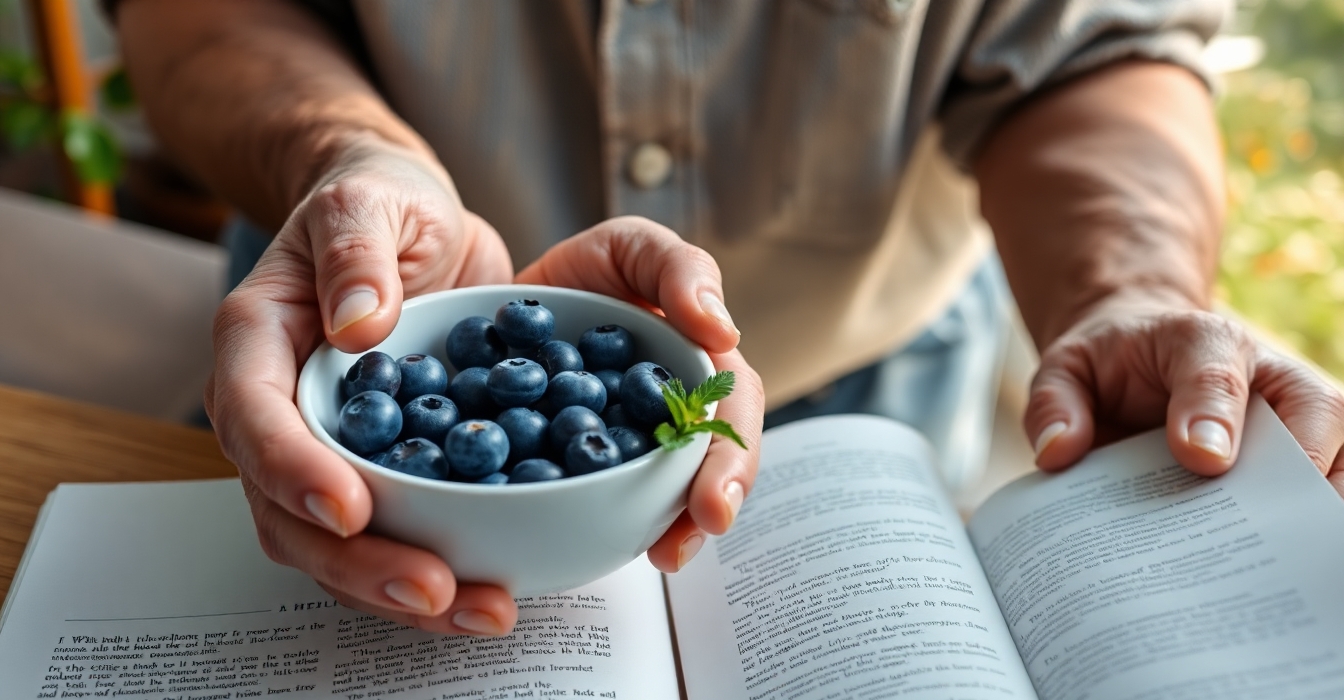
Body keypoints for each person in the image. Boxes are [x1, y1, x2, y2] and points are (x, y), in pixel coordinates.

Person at [110, 1, 1344, 639]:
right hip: (349, 305)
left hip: (871, 382)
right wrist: (349, 158)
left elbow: (1093, 47)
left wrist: (1129, 286)